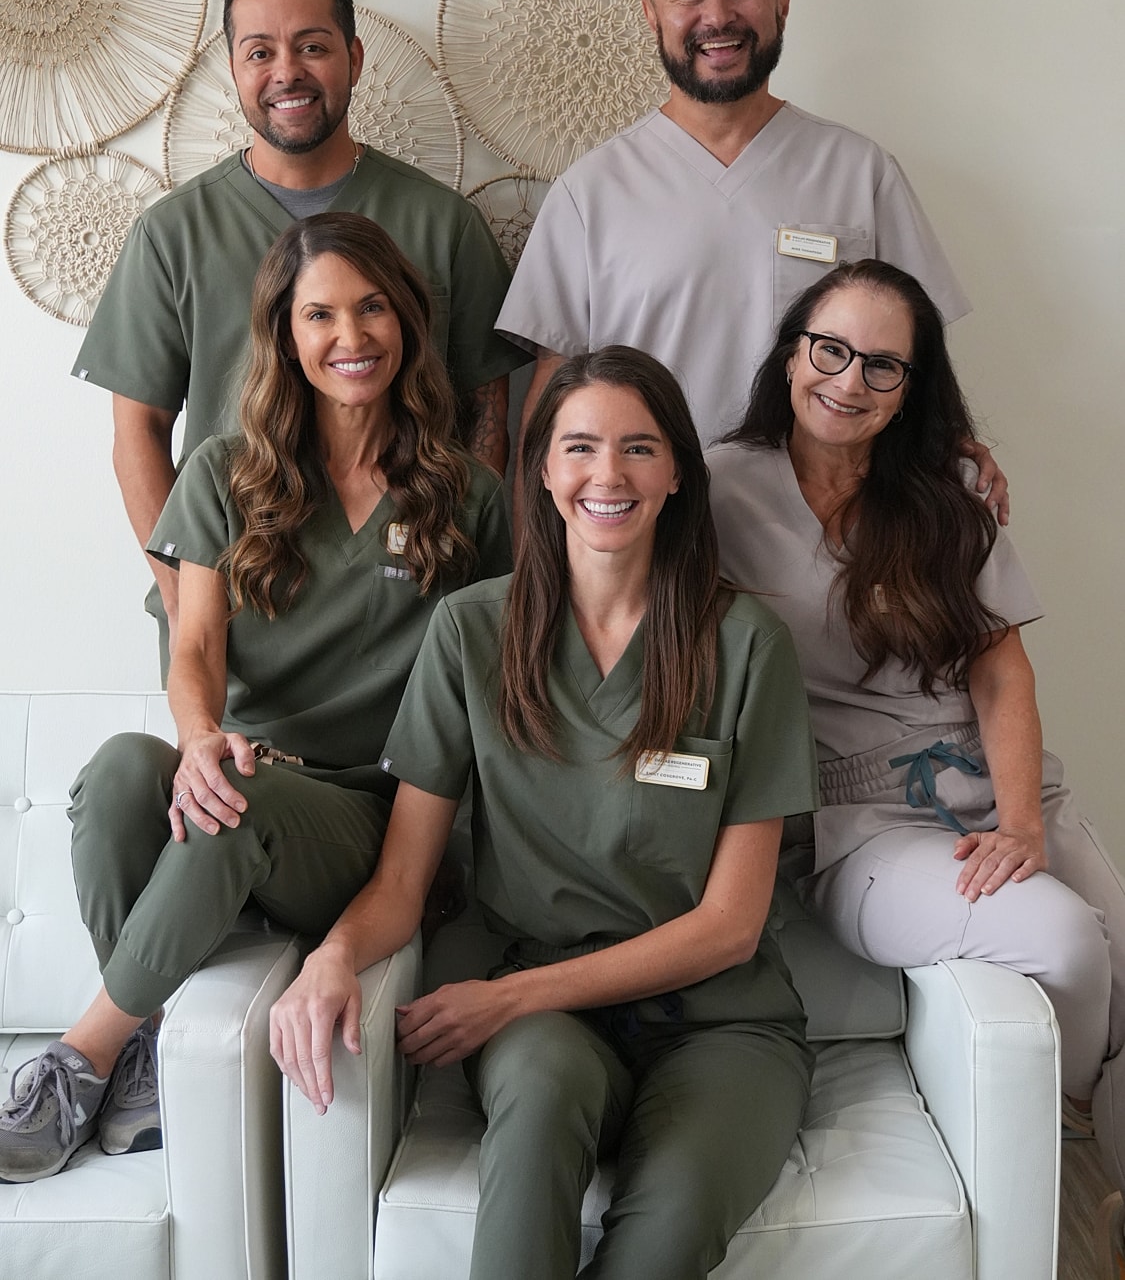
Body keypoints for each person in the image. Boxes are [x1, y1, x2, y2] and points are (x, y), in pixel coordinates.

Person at [270, 346, 818, 1280]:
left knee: (671, 1228)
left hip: (719, 1024)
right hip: (548, 1023)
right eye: (579, 448)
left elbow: (729, 929)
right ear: (541, 470)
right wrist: (330, 959)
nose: (608, 475)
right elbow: (403, 880)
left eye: (639, 448)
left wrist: (508, 997)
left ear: (677, 471)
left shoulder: (746, 643)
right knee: (535, 1104)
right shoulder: (471, 632)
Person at [0, 213, 511, 1185]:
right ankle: (148, 1054)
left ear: (406, 320)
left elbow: (498, 687)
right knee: (119, 772)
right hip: (246, 777)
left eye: (371, 309)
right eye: (319, 314)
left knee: (240, 797)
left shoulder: (468, 498)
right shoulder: (226, 473)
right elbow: (193, 644)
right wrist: (196, 740)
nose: (350, 337)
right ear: (284, 334)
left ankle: (80, 1060)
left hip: (378, 814)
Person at [705, 259, 1125, 1279]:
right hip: (860, 824)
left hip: (1003, 787)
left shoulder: (943, 498)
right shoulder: (713, 486)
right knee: (1069, 947)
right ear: (793, 351)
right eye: (831, 350)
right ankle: (1070, 1135)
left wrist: (1022, 824)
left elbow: (1001, 672)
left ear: (913, 386)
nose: (849, 382)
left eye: (883, 366)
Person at [73, 0, 526, 670]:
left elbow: (487, 416)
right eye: (260, 51)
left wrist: (451, 580)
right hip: (242, 618)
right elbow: (139, 433)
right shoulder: (173, 235)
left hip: (408, 620)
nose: (287, 72)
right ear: (234, 67)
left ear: (352, 56)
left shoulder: (441, 225)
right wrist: (192, 603)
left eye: (312, 46)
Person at [498, 0, 1007, 517]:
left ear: (781, 2)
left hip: (828, 527)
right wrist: (532, 547)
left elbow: (914, 356)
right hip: (642, 533)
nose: (718, 16)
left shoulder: (858, 171)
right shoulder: (590, 191)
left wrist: (954, 449)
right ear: (651, 15)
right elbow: (555, 391)